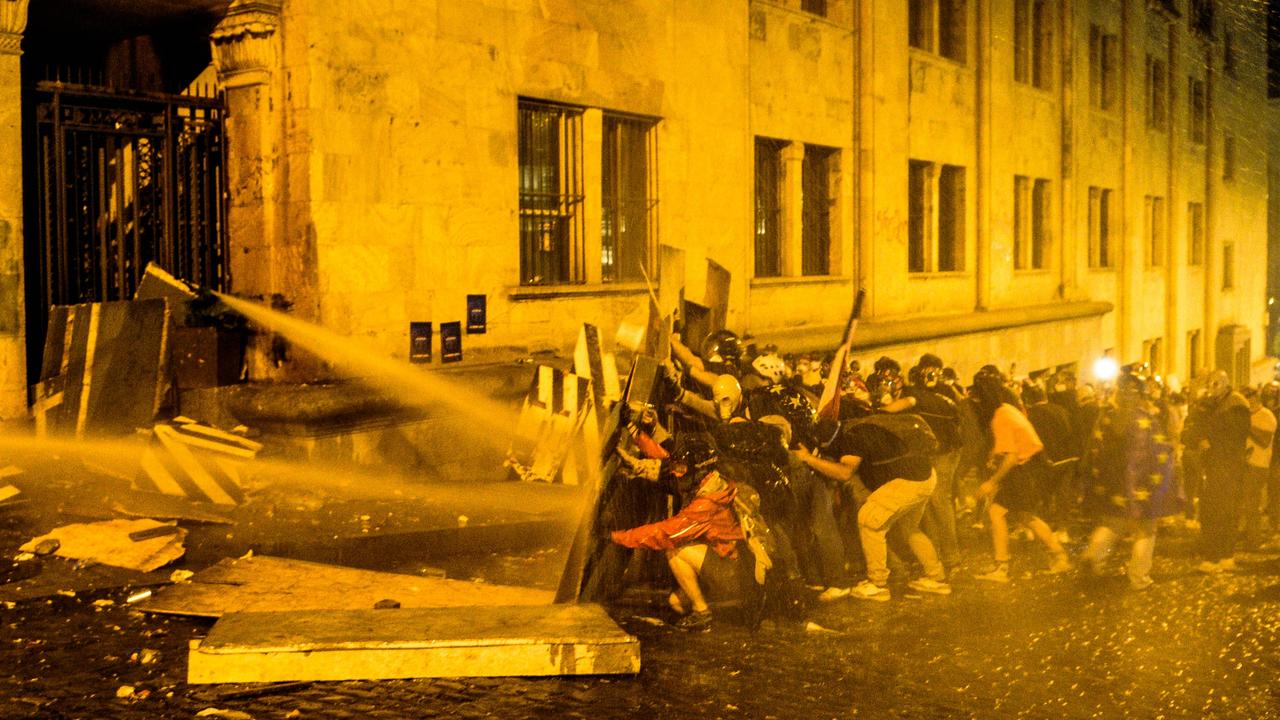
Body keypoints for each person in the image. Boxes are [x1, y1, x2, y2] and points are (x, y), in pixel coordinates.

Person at [795, 415, 951, 601]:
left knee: (868, 521)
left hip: (909, 480)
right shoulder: (855, 424)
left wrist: (807, 459)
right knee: (909, 528)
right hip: (924, 475)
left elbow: (844, 472)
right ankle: (936, 578)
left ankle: (877, 585)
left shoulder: (851, 438)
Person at [609, 434, 746, 630]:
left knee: (675, 550)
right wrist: (636, 435)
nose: (677, 473)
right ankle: (725, 605)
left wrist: (616, 537)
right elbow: (669, 461)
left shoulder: (706, 502)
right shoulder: (708, 480)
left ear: (697, 469)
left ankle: (703, 612)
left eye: (683, 469)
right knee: (677, 603)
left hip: (731, 571)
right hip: (726, 563)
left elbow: (665, 534)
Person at [1079, 373, 1180, 590]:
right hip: (1142, 486)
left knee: (1112, 524)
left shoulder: (1107, 417)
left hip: (1113, 484)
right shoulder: (1146, 420)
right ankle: (1139, 577)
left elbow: (1097, 449)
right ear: (1139, 396)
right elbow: (1157, 452)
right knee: (1146, 529)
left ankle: (1093, 556)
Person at [970, 373, 1072, 582]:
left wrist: (992, 481)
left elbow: (1012, 455)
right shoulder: (1008, 409)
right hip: (1032, 467)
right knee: (1025, 516)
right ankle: (1059, 556)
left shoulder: (1000, 417)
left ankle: (1002, 568)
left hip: (1023, 469)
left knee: (998, 513)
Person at [1182, 370, 1251, 573]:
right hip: (1211, 467)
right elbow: (1190, 430)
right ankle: (1213, 555)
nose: (1213, 389)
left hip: (1229, 466)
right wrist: (1198, 438)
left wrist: (1209, 439)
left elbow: (1235, 434)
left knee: (1225, 512)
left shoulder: (1236, 404)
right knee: (1211, 512)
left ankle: (1223, 556)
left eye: (1216, 384)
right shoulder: (1209, 405)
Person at [906, 362, 963, 575]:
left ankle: (951, 558)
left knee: (939, 500)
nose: (931, 375)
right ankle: (936, 554)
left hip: (944, 452)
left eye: (934, 371)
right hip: (937, 452)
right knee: (929, 502)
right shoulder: (937, 392)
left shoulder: (941, 391)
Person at [1239, 386, 1276, 549]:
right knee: (1243, 503)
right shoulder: (1246, 415)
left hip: (1258, 464)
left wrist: (1246, 426)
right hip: (1244, 464)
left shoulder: (1266, 416)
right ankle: (1246, 533)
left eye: (1249, 396)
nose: (1248, 400)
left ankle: (1254, 539)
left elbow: (1264, 441)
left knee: (1252, 503)